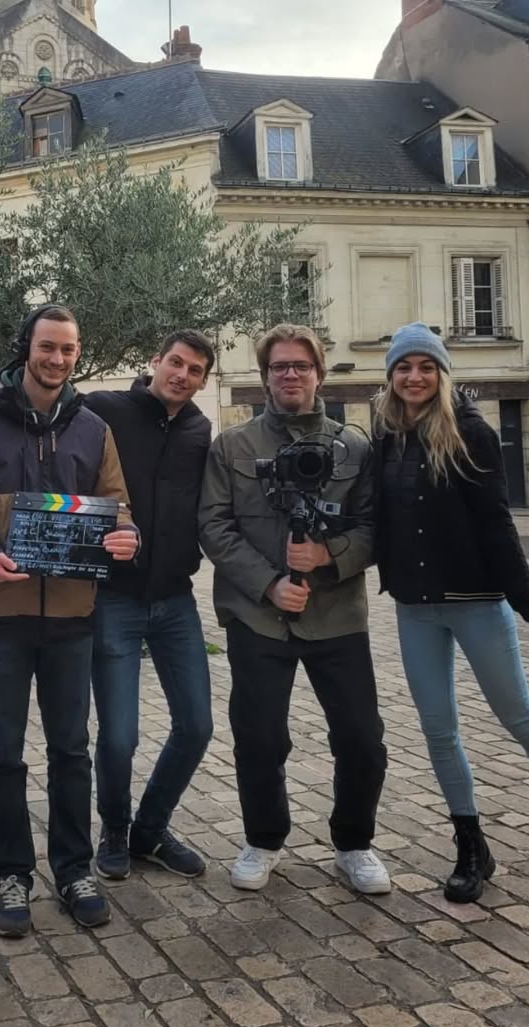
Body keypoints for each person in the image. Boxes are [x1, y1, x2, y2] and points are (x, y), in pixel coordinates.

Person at [0, 330, 217, 881]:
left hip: (136, 603)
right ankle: (57, 858)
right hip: (61, 605)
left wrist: (128, 532)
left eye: (195, 370)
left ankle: (120, 847)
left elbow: (117, 506)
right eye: (175, 363)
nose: (182, 376)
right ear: (155, 362)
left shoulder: (190, 429)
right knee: (60, 745)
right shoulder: (99, 410)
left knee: (157, 734)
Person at [372, 322, 529, 902]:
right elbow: (376, 517)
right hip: (416, 607)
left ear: (441, 372)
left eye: (425, 367)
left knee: (519, 718)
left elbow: (496, 523)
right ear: (391, 376)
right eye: (404, 367)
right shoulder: (383, 435)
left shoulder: (471, 433)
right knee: (438, 729)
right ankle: (471, 846)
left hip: (477, 603)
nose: (414, 377)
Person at [0, 305, 139, 938]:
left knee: (72, 750)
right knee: (1, 754)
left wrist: (127, 535)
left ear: (77, 355)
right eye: (47, 347)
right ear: (27, 348)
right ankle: (11, 874)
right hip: (1, 615)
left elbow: (118, 506)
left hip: (74, 617)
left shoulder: (94, 429)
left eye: (68, 350)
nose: (57, 359)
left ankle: (75, 868)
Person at [199, 323, 391, 895]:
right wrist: (268, 584)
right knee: (258, 737)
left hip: (336, 615)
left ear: (318, 374)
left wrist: (328, 555)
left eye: (300, 366)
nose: (290, 375)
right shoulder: (232, 447)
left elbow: (375, 527)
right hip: (260, 615)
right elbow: (213, 525)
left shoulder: (354, 446)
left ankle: (354, 843)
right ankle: (263, 839)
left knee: (361, 737)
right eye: (279, 366)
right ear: (264, 376)